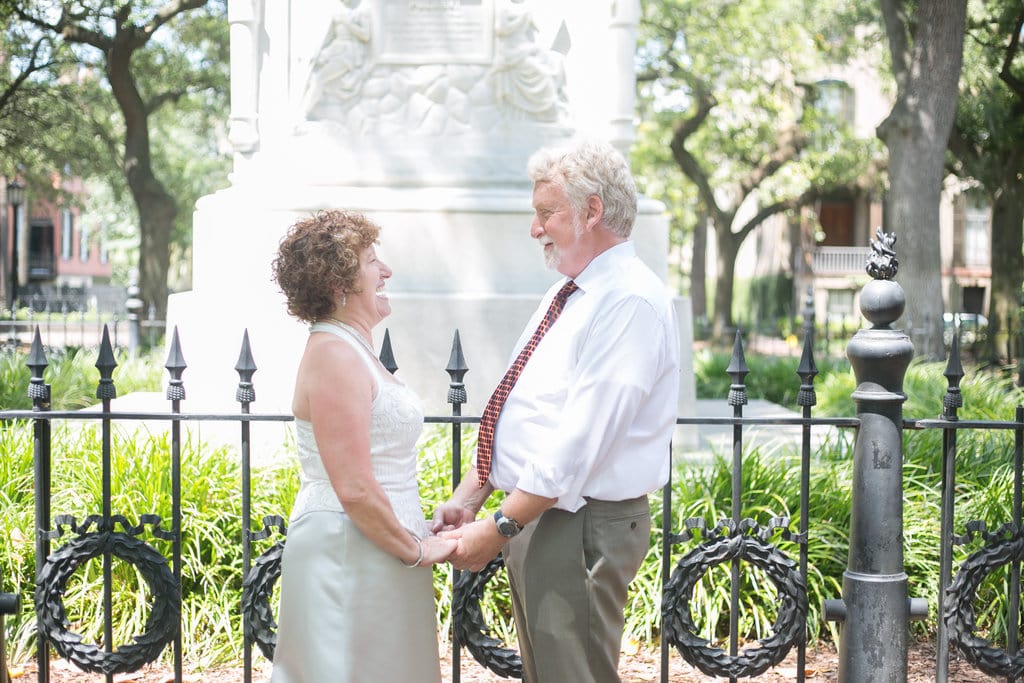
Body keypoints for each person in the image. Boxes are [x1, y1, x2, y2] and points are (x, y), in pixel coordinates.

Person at [433, 139, 680, 682]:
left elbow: (577, 442)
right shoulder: (569, 294)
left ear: (591, 211)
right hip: (546, 518)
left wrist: (499, 526)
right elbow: (523, 404)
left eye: (546, 213)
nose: (534, 228)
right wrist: (470, 496)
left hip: (580, 524)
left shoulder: (629, 302)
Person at [269, 209, 456, 682]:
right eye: (373, 260)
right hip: (348, 546)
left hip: (380, 542)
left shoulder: (354, 349)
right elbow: (351, 486)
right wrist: (417, 550)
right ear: (338, 283)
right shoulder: (334, 354)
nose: (386, 270)